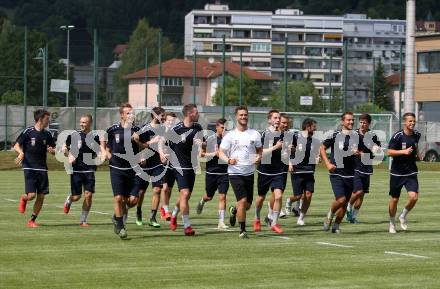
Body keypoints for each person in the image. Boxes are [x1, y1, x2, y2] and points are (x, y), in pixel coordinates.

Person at [219, 106, 262, 239]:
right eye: (241, 115)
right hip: (235, 173)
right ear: (236, 117)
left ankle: (234, 211)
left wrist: (258, 157)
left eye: (245, 115)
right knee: (242, 200)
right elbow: (220, 152)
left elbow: (259, 150)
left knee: (247, 205)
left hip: (249, 173)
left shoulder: (255, 134)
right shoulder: (230, 135)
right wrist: (228, 160)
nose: (243, 117)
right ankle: (242, 230)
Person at [101, 103, 141, 239]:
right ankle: (120, 225)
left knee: (132, 201)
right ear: (122, 115)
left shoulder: (137, 130)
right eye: (128, 113)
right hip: (116, 168)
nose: (131, 115)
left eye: (132, 113)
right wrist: (106, 152)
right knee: (118, 198)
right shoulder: (112, 130)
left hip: (133, 169)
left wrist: (140, 144)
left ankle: (116, 216)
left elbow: (146, 146)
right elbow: (103, 141)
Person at [15, 109, 56, 227]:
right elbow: (17, 145)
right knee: (31, 195)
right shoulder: (28, 131)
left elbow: (54, 149)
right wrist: (21, 153)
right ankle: (24, 198)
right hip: (29, 167)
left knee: (41, 196)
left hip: (42, 168)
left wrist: (52, 151)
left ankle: (32, 220)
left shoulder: (47, 134)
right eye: (47, 119)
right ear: (40, 119)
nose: (48, 121)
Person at [168, 104, 203, 236]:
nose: (198, 114)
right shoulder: (176, 130)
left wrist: (201, 144)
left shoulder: (197, 127)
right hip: (178, 167)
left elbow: (202, 143)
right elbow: (166, 144)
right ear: (189, 114)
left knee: (185, 196)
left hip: (191, 167)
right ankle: (187, 226)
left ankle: (174, 215)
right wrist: (163, 154)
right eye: (196, 112)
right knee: (185, 193)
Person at [321, 112, 359, 233]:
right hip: (336, 172)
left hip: (351, 174)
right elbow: (321, 148)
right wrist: (327, 163)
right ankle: (330, 214)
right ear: (342, 122)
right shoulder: (335, 135)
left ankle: (336, 226)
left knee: (344, 203)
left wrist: (359, 153)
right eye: (348, 120)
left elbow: (363, 152)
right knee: (341, 200)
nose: (351, 122)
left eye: (352, 120)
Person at [62, 114, 101, 226]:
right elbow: (64, 147)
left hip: (89, 169)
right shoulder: (74, 135)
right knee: (77, 197)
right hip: (77, 170)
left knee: (88, 195)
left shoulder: (95, 137)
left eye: (84, 122)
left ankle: (83, 220)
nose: (81, 124)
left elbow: (99, 150)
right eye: (81, 122)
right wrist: (69, 155)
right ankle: (69, 199)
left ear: (90, 123)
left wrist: (100, 155)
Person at [387, 112, 420, 234]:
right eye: (410, 121)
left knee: (414, 197)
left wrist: (418, 154)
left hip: (411, 172)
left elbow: (415, 146)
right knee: (394, 199)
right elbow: (389, 152)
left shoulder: (417, 134)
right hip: (397, 173)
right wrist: (404, 152)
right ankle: (391, 223)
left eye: (413, 121)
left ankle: (402, 216)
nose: (412, 123)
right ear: (405, 122)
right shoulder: (397, 136)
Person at [346, 113, 382, 223]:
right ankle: (348, 205)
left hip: (367, 165)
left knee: (362, 195)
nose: (362, 124)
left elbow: (378, 149)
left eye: (364, 123)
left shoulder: (372, 135)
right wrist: (353, 151)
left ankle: (353, 217)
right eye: (361, 122)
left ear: (369, 124)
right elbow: (348, 148)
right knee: (358, 191)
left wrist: (376, 149)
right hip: (355, 165)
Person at [254, 110, 286, 234]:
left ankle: (274, 223)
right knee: (261, 198)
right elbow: (260, 153)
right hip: (265, 171)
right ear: (269, 120)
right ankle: (256, 218)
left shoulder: (283, 135)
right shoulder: (264, 135)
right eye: (275, 118)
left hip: (278, 171)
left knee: (278, 196)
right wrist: (275, 147)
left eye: (279, 118)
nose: (278, 120)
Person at [196, 118, 230, 230]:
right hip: (211, 172)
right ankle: (202, 201)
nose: (225, 130)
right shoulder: (210, 139)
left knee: (222, 196)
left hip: (224, 173)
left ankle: (221, 222)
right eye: (222, 128)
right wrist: (214, 154)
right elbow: (202, 154)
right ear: (217, 127)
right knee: (209, 196)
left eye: (226, 128)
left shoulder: (229, 140)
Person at [135, 107, 166, 228]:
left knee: (157, 189)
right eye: (162, 115)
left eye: (164, 116)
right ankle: (138, 212)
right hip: (145, 164)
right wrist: (143, 154)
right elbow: (137, 142)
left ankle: (153, 217)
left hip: (158, 163)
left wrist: (164, 153)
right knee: (141, 192)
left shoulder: (164, 129)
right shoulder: (145, 129)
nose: (163, 118)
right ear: (154, 116)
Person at [286, 118, 320, 226]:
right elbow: (290, 151)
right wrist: (290, 164)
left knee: (308, 195)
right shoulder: (296, 138)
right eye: (314, 126)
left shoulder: (314, 141)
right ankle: (289, 201)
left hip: (309, 171)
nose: (315, 128)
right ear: (308, 126)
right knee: (298, 196)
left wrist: (318, 158)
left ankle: (301, 217)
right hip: (297, 170)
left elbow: (316, 155)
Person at [159, 112, 177, 221]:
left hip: (173, 164)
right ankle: (166, 210)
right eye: (169, 120)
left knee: (169, 189)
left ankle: (164, 207)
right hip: (162, 164)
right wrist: (162, 154)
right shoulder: (161, 132)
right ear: (165, 121)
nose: (170, 122)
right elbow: (159, 144)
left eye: (172, 121)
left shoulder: (175, 133)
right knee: (165, 188)